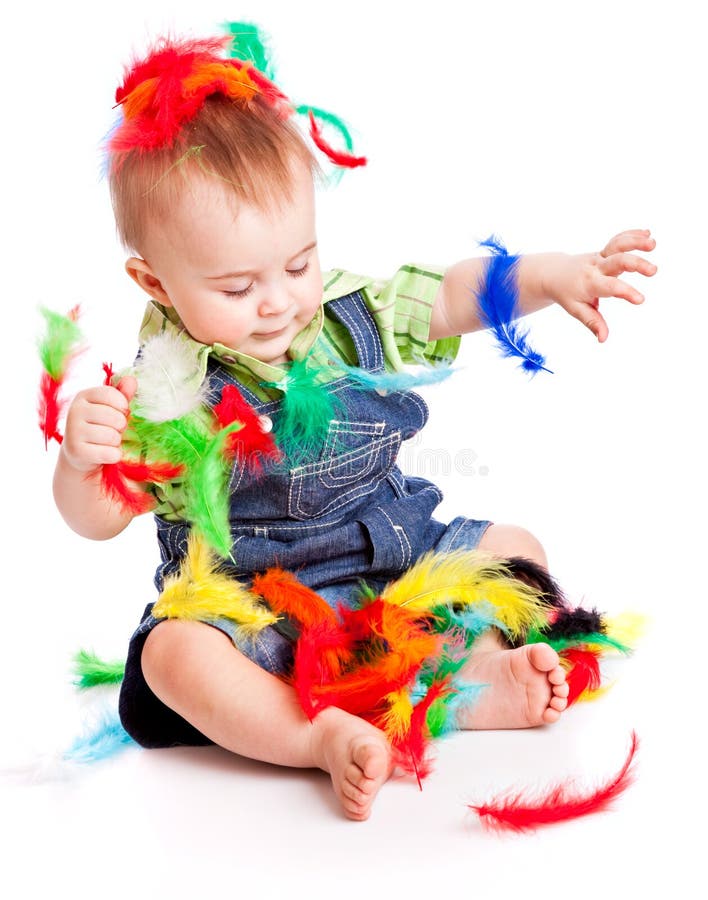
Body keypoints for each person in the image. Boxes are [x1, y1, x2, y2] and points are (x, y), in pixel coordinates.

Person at [52, 30, 656, 821]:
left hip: (397, 565)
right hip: (259, 614)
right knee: (171, 656)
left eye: (297, 264)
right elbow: (96, 519)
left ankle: (470, 684)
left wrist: (547, 274)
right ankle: (312, 737)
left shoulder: (346, 317)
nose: (277, 301)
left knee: (518, 552)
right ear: (152, 281)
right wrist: (79, 462)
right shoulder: (158, 394)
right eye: (236, 287)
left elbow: (447, 296)